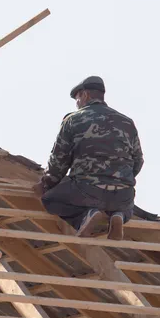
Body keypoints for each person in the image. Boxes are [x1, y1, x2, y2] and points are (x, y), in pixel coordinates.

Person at [35, 76, 144, 240]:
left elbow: (58, 162)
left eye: (77, 99)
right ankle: (119, 216)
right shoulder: (127, 122)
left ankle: (86, 216)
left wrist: (46, 184)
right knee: (126, 207)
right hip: (123, 194)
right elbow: (138, 160)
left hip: (87, 189)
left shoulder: (73, 120)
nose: (77, 103)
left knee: (51, 200)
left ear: (84, 95)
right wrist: (120, 180)